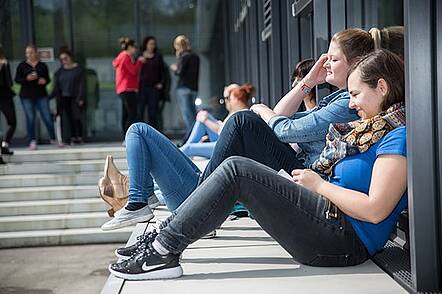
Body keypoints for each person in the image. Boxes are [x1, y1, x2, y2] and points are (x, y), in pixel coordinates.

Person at [109, 49, 407, 280]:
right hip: (328, 219)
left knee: (237, 170)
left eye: (355, 94)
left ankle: (162, 249)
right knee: (237, 161)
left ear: (381, 87)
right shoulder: (373, 129)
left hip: (342, 240)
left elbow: (375, 209)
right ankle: (164, 240)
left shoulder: (397, 135)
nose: (351, 104)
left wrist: (320, 185)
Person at [199, 27, 404, 184]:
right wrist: (309, 82)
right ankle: (198, 199)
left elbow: (284, 130)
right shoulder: (338, 98)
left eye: (333, 59)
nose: (325, 64)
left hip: (308, 176)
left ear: (357, 62)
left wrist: (261, 108)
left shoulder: (346, 106)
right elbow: (279, 117)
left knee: (241, 121)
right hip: (301, 169)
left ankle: (198, 200)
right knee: (243, 123)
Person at [99, 83, 252, 231]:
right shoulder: (245, 121)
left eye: (226, 98)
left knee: (137, 130)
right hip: (203, 192)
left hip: (201, 201)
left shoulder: (242, 117)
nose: (224, 102)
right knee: (141, 135)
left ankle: (135, 200)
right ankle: (137, 195)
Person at [180, 83, 253, 159]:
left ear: (236, 99)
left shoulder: (241, 115)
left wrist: (205, 121)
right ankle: (182, 151)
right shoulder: (237, 112)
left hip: (227, 149)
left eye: (229, 98)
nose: (227, 101)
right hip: (224, 143)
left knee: (189, 148)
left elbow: (223, 131)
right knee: (204, 115)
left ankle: (176, 153)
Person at [15, 45, 59, 150]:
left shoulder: (42, 66)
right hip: (26, 96)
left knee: (47, 117)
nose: (28, 55)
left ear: (35, 53)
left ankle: (53, 138)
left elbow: (48, 79)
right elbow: (17, 79)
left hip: (41, 95)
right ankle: (32, 140)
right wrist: (27, 78)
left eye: (30, 52)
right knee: (30, 118)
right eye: (27, 53)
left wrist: (44, 81)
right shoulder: (22, 66)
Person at [51, 47, 86, 145]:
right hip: (63, 98)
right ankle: (68, 138)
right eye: (62, 59)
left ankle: (78, 137)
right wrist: (49, 96)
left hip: (75, 97)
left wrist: (81, 98)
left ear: (70, 57)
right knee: (66, 118)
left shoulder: (78, 69)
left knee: (77, 117)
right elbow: (56, 86)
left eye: (66, 58)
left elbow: (82, 85)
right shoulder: (59, 72)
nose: (64, 61)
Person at [113, 37, 144, 139]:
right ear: (129, 47)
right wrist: (139, 62)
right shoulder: (125, 56)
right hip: (127, 88)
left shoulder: (123, 56)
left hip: (125, 88)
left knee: (127, 114)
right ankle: (128, 136)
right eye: (134, 47)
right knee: (132, 114)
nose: (135, 50)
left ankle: (125, 136)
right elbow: (133, 71)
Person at [170, 35, 200, 139]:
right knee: (193, 115)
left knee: (187, 116)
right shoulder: (195, 56)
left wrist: (174, 68)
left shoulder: (183, 56)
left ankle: (190, 138)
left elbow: (180, 72)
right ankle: (195, 135)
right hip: (194, 88)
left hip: (183, 88)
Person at [138, 36, 165, 130]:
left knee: (153, 113)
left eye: (154, 44)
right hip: (142, 88)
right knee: (140, 111)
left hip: (154, 88)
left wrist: (161, 83)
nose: (152, 46)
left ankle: (154, 134)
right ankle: (141, 133)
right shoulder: (140, 56)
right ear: (146, 44)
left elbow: (162, 71)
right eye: (150, 44)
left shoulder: (158, 56)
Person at [0, 45, 16, 155]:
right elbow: (9, 82)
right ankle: (4, 145)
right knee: (12, 123)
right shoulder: (4, 63)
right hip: (4, 96)